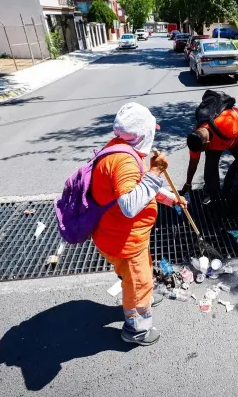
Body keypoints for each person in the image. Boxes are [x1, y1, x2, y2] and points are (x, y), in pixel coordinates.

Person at [91, 102, 186, 346]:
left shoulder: (120, 147)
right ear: (144, 134)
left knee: (138, 273)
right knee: (138, 281)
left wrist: (170, 198)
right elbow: (130, 204)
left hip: (125, 235)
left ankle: (139, 293)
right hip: (123, 238)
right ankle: (136, 329)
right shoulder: (124, 162)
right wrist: (155, 172)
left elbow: (140, 186)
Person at [182, 106, 238, 202]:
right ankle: (212, 194)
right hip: (217, 140)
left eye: (201, 151)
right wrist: (188, 183)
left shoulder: (229, 127)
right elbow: (193, 162)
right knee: (210, 166)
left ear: (207, 143)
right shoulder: (196, 138)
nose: (199, 153)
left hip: (236, 139)